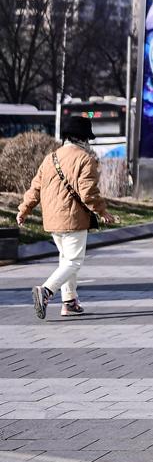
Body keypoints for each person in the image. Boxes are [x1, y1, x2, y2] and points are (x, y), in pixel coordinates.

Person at [16, 116, 115, 319]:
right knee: (74, 261)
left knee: (66, 259)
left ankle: (69, 302)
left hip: (52, 219)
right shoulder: (85, 159)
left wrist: (24, 209)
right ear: (83, 138)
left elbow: (35, 188)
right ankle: (46, 290)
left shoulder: (50, 158)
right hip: (73, 218)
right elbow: (88, 193)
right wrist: (102, 211)